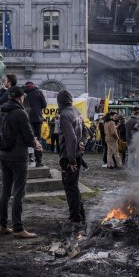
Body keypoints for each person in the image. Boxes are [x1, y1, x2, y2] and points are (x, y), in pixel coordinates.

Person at [0, 86, 42, 239]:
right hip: (18, 157)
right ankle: (18, 228)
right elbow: (29, 136)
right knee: (19, 192)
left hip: (4, 155)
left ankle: (3, 225)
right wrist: (36, 144)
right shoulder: (20, 113)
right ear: (20, 97)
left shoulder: (3, 110)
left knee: (5, 190)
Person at [57, 90, 86, 232]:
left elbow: (71, 138)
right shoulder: (76, 111)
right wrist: (83, 142)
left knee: (70, 187)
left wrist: (71, 159)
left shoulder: (64, 115)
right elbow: (86, 132)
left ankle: (75, 219)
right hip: (77, 154)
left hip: (69, 157)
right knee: (74, 185)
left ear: (59, 102)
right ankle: (81, 215)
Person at [22, 81, 47, 167]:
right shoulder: (38, 92)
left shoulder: (23, 92)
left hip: (26, 118)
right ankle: (39, 161)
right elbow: (44, 105)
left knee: (27, 137)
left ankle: (29, 157)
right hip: (37, 118)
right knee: (38, 139)